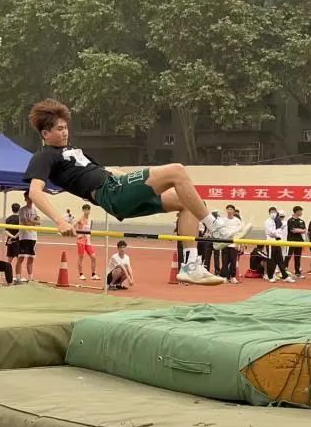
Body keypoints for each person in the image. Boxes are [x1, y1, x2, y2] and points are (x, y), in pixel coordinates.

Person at [23, 98, 228, 286]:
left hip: (118, 186)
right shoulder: (44, 156)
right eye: (59, 129)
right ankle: (216, 228)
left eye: (66, 127)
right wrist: (60, 221)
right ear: (45, 134)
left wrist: (137, 182)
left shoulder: (73, 150)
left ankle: (190, 265)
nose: (65, 132)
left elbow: (105, 170)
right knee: (177, 171)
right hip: (111, 192)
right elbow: (35, 192)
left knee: (188, 202)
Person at [264, 207, 296, 284]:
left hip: (278, 242)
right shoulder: (267, 221)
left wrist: (278, 232)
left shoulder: (277, 221)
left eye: (274, 212)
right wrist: (277, 232)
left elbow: (280, 232)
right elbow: (271, 233)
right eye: (271, 212)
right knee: (271, 260)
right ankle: (270, 276)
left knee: (280, 259)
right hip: (271, 242)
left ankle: (285, 276)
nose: (273, 213)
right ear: (269, 213)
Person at [16, 192, 40, 283]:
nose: (30, 200)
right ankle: (18, 278)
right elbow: (25, 223)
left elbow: (39, 222)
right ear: (25, 199)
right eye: (28, 198)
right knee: (21, 258)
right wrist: (33, 222)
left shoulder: (35, 210)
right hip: (24, 237)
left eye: (31, 198)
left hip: (33, 237)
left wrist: (31, 222)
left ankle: (30, 278)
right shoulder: (22, 210)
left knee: (31, 258)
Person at [75, 204, 99, 280]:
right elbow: (73, 226)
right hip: (81, 240)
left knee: (93, 257)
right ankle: (81, 274)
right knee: (81, 257)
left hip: (88, 240)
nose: (86, 211)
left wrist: (88, 237)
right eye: (85, 209)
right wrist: (77, 234)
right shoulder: (80, 219)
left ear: (89, 210)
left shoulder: (91, 219)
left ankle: (93, 274)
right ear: (83, 210)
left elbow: (90, 230)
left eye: (88, 209)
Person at [219, 204, 242, 283]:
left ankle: (233, 277)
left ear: (234, 211)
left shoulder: (237, 221)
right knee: (224, 261)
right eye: (228, 209)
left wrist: (238, 243)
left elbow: (239, 233)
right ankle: (224, 276)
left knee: (233, 261)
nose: (229, 211)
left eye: (231, 209)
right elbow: (221, 231)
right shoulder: (223, 220)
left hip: (234, 244)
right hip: (225, 243)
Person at [285, 206, 307, 279]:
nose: (301, 213)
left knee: (297, 257)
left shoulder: (301, 221)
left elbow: (305, 230)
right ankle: (284, 270)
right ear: (297, 211)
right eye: (300, 211)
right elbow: (293, 230)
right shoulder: (290, 220)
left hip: (299, 241)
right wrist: (301, 230)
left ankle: (297, 272)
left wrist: (299, 230)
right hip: (291, 241)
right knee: (288, 256)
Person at [5, 203, 21, 281]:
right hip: (18, 242)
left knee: (9, 261)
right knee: (19, 261)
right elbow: (21, 230)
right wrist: (15, 236)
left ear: (12, 209)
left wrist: (11, 237)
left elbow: (5, 230)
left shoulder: (8, 219)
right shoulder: (20, 219)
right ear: (19, 209)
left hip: (10, 241)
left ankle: (8, 277)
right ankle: (18, 277)